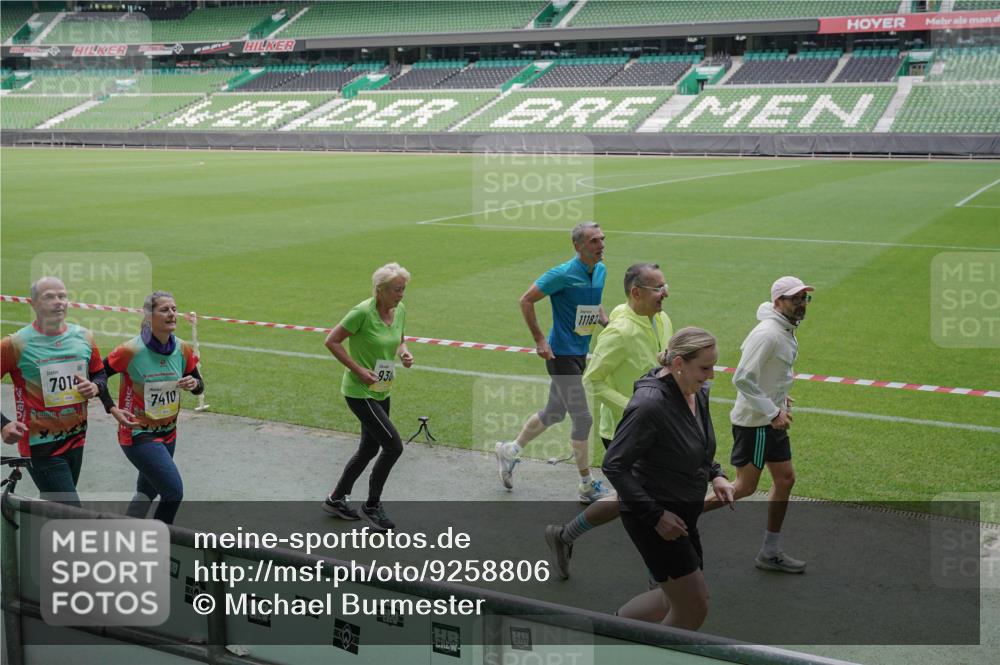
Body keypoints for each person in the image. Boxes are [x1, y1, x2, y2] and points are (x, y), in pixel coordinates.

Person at [544, 262, 672, 579]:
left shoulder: (662, 318)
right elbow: (593, 381)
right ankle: (662, 588)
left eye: (665, 285)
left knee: (631, 500)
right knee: (649, 510)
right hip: (623, 432)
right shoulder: (618, 333)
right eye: (658, 288)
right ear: (636, 292)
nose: (665, 292)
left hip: (656, 427)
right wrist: (635, 408)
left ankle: (564, 536)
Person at [603, 327, 734, 630]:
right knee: (693, 608)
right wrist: (656, 515)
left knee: (670, 598)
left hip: (682, 516)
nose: (711, 375)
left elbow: (699, 443)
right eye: (705, 367)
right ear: (678, 363)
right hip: (655, 520)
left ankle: (608, 628)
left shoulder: (696, 392)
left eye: (713, 366)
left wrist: (716, 474)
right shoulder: (649, 405)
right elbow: (614, 464)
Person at [495, 222, 613, 503]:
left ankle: (510, 451)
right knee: (582, 417)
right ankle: (586, 484)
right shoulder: (561, 274)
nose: (601, 245)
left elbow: (593, 303)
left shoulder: (601, 271)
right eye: (594, 241)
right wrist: (539, 340)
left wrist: (607, 323)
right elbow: (526, 300)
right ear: (578, 246)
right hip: (560, 355)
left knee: (554, 413)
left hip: (579, 353)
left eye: (602, 240)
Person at [703, 276, 813, 573]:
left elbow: (769, 373)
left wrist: (780, 397)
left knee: (785, 479)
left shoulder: (784, 328)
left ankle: (770, 550)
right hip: (757, 425)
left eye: (805, 298)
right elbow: (742, 377)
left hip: (770, 421)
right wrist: (771, 411)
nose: (802, 304)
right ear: (778, 302)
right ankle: (679, 516)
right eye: (795, 299)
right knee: (743, 487)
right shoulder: (768, 334)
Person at [0, 276, 108, 506]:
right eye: (49, 297)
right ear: (33, 303)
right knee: (72, 512)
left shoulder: (84, 337)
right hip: (41, 446)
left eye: (62, 296)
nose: (58, 302)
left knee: (55, 509)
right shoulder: (14, 344)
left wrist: (95, 387)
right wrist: (3, 424)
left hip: (77, 438)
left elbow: (100, 373)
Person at [322, 262, 413, 532]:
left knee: (370, 448)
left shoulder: (399, 311)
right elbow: (332, 341)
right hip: (359, 392)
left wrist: (404, 352)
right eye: (396, 290)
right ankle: (372, 506)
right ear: (380, 290)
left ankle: (336, 499)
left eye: (403, 289)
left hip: (382, 388)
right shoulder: (361, 312)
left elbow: (399, 338)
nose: (401, 295)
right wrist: (358, 370)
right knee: (393, 446)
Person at [101, 291, 203, 524]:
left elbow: (199, 387)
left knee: (147, 492)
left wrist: (194, 383)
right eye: (165, 309)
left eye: (174, 309)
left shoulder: (183, 349)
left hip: (168, 433)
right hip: (138, 433)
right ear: (148, 316)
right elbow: (97, 374)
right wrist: (112, 408)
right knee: (173, 492)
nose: (172, 314)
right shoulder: (131, 350)